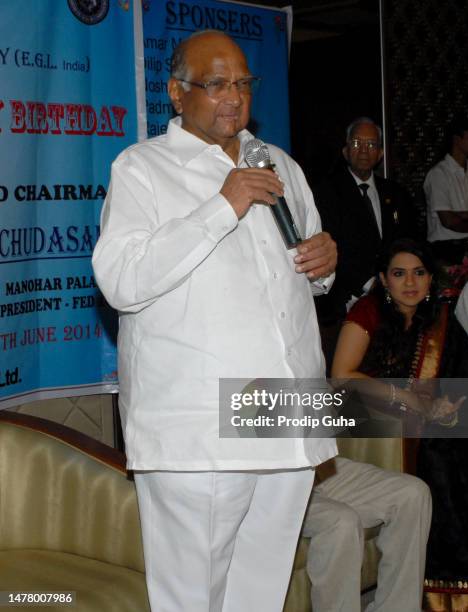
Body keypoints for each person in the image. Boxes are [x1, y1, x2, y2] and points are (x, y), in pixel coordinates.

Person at [92, 30, 337, 612]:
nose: (234, 97)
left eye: (244, 85)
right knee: (192, 599)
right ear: (178, 93)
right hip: (198, 424)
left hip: (286, 411)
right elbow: (122, 281)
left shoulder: (279, 164)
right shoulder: (142, 168)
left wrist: (325, 264)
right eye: (217, 84)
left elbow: (300, 269)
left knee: (261, 592)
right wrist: (221, 206)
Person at [326, 238, 468, 610]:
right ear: (383, 279)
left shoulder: (437, 318)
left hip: (418, 418)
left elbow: (458, 376)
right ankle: (445, 586)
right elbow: (341, 375)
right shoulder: (368, 311)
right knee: (441, 458)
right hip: (366, 417)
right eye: (399, 274)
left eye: (419, 273)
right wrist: (406, 399)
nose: (410, 283)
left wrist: (445, 406)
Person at [312, 118, 417, 369]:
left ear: (380, 153)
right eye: (357, 143)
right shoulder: (325, 191)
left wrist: (392, 283)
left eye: (371, 144)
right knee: (349, 383)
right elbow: (329, 246)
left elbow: (407, 242)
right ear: (346, 150)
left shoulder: (395, 193)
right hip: (343, 304)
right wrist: (371, 286)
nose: (364, 149)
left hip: (392, 300)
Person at [424, 114, 468, 260]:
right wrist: (460, 216)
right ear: (457, 139)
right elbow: (449, 221)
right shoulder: (438, 174)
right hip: (446, 250)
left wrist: (463, 215)